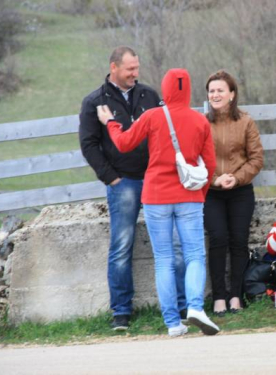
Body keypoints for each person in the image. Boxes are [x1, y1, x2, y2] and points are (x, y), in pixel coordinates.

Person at [96, 68, 220, 337]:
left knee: (163, 259)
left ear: (165, 88)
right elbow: (209, 164)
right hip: (189, 197)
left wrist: (110, 122)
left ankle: (173, 323)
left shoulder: (152, 116)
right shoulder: (200, 121)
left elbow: (124, 143)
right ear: (188, 90)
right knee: (195, 255)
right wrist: (201, 193)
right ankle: (195, 307)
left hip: (155, 196)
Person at [79, 46, 188, 331]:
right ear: (114, 67)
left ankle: (182, 305)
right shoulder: (95, 102)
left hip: (155, 179)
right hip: (122, 182)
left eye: (137, 68)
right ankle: (122, 311)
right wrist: (110, 177)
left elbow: (164, 132)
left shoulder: (149, 95)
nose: (135, 74)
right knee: (121, 245)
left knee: (172, 244)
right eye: (130, 69)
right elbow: (88, 143)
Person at [204, 70, 264, 316]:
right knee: (218, 240)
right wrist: (215, 179)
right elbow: (194, 159)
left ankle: (236, 296)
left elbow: (257, 158)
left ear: (232, 94)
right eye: (211, 91)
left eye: (220, 90)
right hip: (211, 192)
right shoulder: (202, 123)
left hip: (241, 191)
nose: (215, 95)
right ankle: (219, 296)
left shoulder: (246, 121)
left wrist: (235, 178)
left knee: (239, 242)